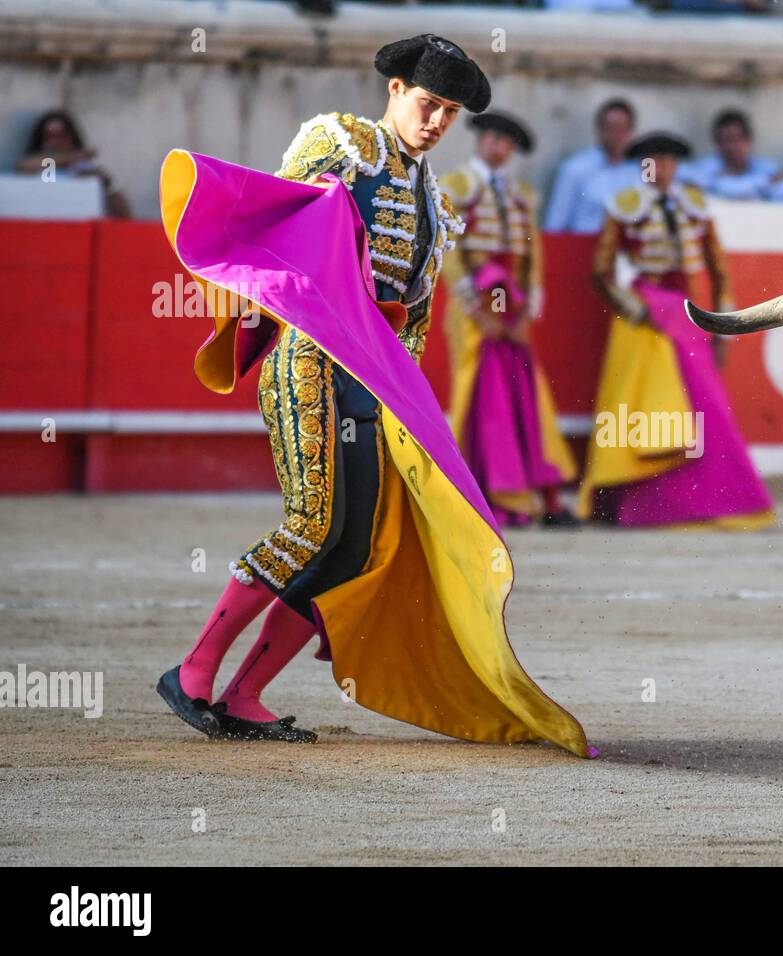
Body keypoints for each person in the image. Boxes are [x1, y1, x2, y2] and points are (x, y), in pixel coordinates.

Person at [155, 34, 589, 757]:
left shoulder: (434, 198)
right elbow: (275, 218)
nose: (437, 121)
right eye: (429, 103)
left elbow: (412, 320)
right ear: (394, 90)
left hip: (368, 379)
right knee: (313, 524)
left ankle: (245, 693)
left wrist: (400, 402)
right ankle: (193, 671)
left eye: (450, 112)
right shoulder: (340, 141)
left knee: (354, 543)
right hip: (308, 356)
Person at [579, 133, 774, 529]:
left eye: (668, 161)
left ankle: (703, 500)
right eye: (654, 161)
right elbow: (600, 273)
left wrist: (723, 328)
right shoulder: (625, 206)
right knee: (639, 407)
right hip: (642, 321)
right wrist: (636, 309)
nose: (662, 169)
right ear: (642, 166)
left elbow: (718, 272)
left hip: (686, 317)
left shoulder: (694, 206)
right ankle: (635, 501)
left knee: (703, 404)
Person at [440, 111, 579, 527]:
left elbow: (531, 258)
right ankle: (475, 491)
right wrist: (477, 312)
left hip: (511, 308)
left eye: (505, 142)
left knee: (522, 395)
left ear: (512, 150)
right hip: (473, 311)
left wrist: (526, 313)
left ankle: (526, 492)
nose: (496, 147)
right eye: (490, 139)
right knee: (478, 393)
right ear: (479, 141)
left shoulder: (522, 194)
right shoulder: (455, 186)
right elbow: (450, 253)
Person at [543, 99, 641, 233]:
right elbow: (555, 224)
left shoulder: (639, 170)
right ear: (599, 130)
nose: (617, 136)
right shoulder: (575, 168)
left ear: (631, 131)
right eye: (611, 129)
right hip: (583, 248)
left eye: (622, 129)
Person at [16, 110, 131, 218]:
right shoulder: (36, 169)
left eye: (62, 135)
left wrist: (107, 185)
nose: (56, 142)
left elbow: (125, 216)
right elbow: (23, 166)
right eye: (50, 136)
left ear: (72, 138)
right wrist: (73, 156)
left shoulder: (87, 169)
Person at [681, 110, 781, 200]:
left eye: (733, 139)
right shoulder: (705, 168)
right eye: (722, 140)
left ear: (748, 139)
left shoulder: (765, 167)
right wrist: (766, 181)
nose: (729, 146)